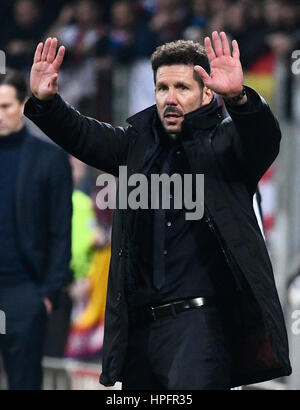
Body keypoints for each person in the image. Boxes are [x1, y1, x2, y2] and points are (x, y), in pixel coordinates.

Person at [24, 32, 291, 390]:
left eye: (182, 87)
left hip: (202, 326)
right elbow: (83, 135)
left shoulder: (227, 144)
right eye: (162, 88)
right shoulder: (135, 143)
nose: (170, 98)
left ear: (206, 92)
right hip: (140, 331)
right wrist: (48, 102)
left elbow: (263, 138)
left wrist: (240, 98)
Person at [0, 68, 73, 390]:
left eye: (5, 107)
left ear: (23, 106)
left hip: (25, 292)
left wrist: (46, 294)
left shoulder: (49, 159)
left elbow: (61, 230)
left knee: (25, 383)